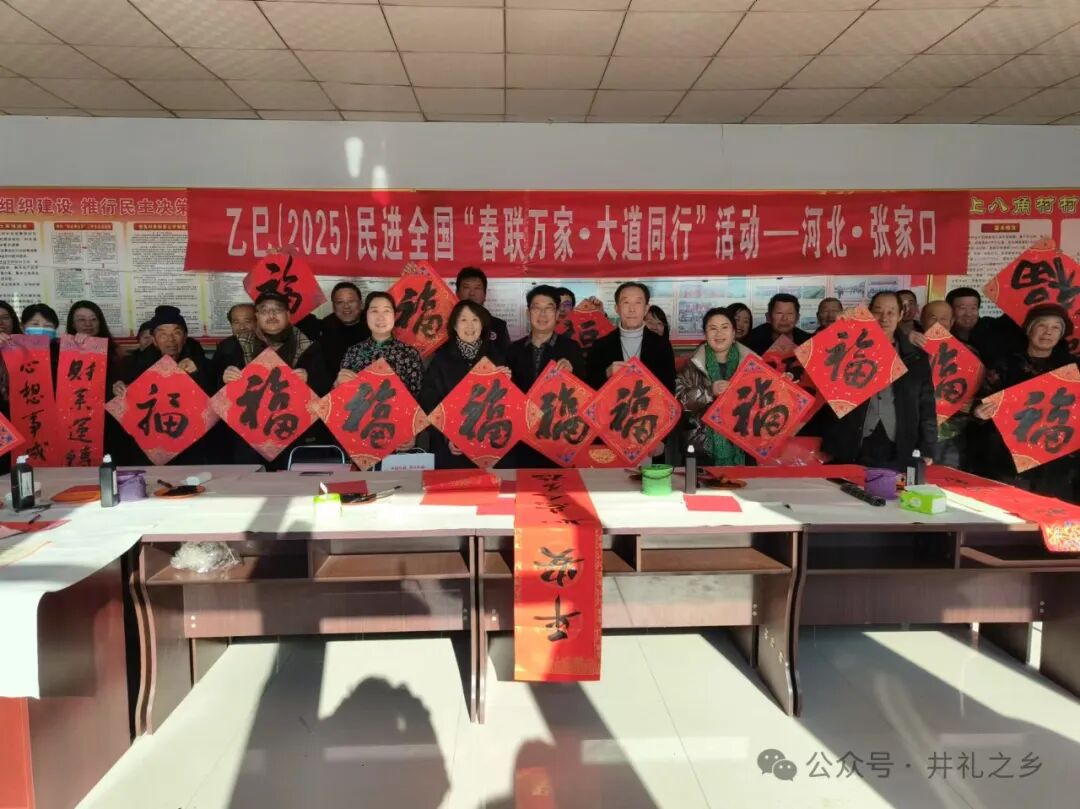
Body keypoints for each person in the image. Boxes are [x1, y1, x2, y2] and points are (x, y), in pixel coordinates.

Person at [972, 303, 1077, 501]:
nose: (1048, 332)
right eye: (1042, 325)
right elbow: (981, 400)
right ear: (1029, 329)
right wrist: (979, 413)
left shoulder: (1072, 368)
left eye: (1056, 327)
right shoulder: (1005, 364)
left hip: (1057, 459)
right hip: (1009, 457)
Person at [215, 291, 332, 467]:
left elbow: (326, 390)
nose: (271, 315)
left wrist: (310, 380)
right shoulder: (233, 346)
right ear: (256, 316)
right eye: (264, 310)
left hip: (294, 434)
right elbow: (213, 394)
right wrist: (223, 379)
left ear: (288, 315)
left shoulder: (309, 346)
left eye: (277, 310)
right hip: (247, 438)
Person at [822, 291, 937, 471]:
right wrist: (841, 327)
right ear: (869, 313)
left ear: (900, 315)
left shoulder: (914, 357)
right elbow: (823, 367)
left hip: (898, 439)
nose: (884, 318)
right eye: (878, 311)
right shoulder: (850, 346)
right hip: (854, 436)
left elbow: (927, 405)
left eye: (891, 312)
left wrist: (928, 447)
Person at [420, 300, 510, 469]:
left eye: (475, 319)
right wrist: (448, 436)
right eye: (463, 320)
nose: (470, 325)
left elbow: (509, 407)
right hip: (453, 448)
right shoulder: (442, 360)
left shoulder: (496, 357)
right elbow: (429, 401)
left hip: (489, 444)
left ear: (482, 325)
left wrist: (508, 385)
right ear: (455, 326)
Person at [506, 286, 586, 468]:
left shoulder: (571, 348)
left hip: (558, 437)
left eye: (548, 308)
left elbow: (586, 392)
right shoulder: (513, 350)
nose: (542, 314)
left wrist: (572, 375)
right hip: (522, 438)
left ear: (557, 314)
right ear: (528, 313)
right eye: (536, 308)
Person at [676, 307, 755, 465]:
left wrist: (781, 383)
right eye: (713, 328)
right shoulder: (693, 365)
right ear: (705, 334)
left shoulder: (751, 365)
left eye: (725, 327)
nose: (719, 334)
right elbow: (678, 401)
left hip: (744, 445)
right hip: (702, 447)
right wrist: (709, 392)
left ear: (734, 333)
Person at [916, 300, 977, 469]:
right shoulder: (910, 350)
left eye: (943, 319)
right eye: (932, 318)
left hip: (952, 433)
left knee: (948, 480)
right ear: (922, 320)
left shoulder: (968, 353)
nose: (938, 323)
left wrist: (972, 404)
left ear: (952, 322)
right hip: (915, 431)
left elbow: (980, 390)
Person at [586, 282, 676, 393]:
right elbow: (588, 386)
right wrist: (607, 373)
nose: (632, 309)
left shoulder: (662, 344)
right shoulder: (600, 345)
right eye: (626, 302)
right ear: (617, 308)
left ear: (646, 309)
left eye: (638, 302)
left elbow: (670, 387)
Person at [336, 291, 424, 400]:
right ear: (366, 315)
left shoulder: (409, 354)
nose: (380, 317)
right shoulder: (353, 352)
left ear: (394, 315)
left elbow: (419, 398)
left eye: (386, 311)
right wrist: (338, 385)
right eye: (374, 311)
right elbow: (340, 399)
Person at [319, 282, 371, 377]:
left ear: (360, 303)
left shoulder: (374, 324)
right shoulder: (325, 327)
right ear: (333, 306)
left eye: (351, 301)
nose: (346, 306)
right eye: (340, 302)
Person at [456, 267, 510, 353]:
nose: (472, 293)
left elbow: (508, 357)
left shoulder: (498, 326)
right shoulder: (447, 325)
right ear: (457, 293)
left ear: (485, 295)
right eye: (466, 287)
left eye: (477, 288)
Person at [743, 293, 810, 354]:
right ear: (768, 317)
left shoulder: (808, 342)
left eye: (790, 313)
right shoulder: (751, 341)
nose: (784, 318)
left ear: (797, 317)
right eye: (779, 313)